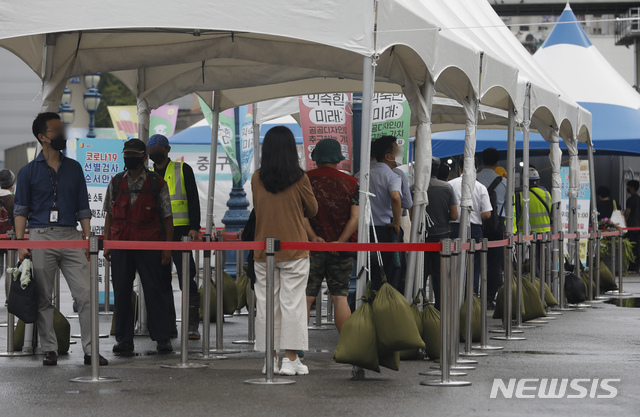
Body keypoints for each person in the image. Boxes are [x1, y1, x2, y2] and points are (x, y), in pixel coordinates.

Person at [14, 112, 107, 366]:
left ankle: (91, 350)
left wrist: (88, 240)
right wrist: (22, 244)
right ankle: (50, 349)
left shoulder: (74, 168)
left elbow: (83, 208)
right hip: (40, 234)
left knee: (86, 295)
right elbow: (20, 210)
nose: (62, 134)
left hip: (71, 234)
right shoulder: (27, 172)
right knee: (43, 297)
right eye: (56, 130)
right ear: (42, 137)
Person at [252, 126, 318, 376]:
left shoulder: (257, 178)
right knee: (293, 304)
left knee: (267, 305)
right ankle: (290, 360)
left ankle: (269, 359)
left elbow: (259, 208)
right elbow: (312, 210)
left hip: (263, 249)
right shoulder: (299, 178)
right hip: (294, 249)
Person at [103, 139, 174, 354]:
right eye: (127, 154)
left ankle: (162, 339)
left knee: (155, 291)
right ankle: (124, 341)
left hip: (149, 245)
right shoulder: (116, 182)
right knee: (122, 292)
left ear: (144, 157)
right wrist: (107, 244)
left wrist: (167, 248)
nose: (130, 158)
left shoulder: (157, 183)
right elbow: (109, 215)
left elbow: (167, 218)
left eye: (134, 154)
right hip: (121, 245)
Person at [147, 134, 202, 340]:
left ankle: (192, 326)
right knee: (161, 281)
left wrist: (195, 227)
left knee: (187, 278)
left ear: (167, 150)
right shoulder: (148, 174)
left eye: (158, 149)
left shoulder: (182, 169)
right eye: (151, 150)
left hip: (181, 233)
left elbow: (193, 198)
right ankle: (169, 326)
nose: (154, 153)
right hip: (157, 234)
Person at [303, 139, 358, 334]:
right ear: (338, 159)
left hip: (311, 249)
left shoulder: (305, 181)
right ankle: (347, 344)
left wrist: (313, 237)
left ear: (316, 159)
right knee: (340, 297)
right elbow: (354, 218)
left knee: (307, 297)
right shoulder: (352, 183)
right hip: (341, 250)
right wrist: (340, 242)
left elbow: (301, 214)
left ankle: (296, 345)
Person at [368, 136, 406, 291]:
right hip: (387, 230)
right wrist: (397, 222)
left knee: (370, 273)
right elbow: (395, 196)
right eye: (397, 150)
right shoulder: (392, 176)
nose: (400, 152)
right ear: (388, 156)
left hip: (366, 231)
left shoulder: (362, 174)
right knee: (390, 275)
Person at [448, 159, 492, 293]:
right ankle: (471, 296)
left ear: (460, 168)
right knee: (473, 265)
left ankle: (453, 294)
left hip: (453, 228)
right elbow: (487, 214)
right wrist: (478, 214)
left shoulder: (450, 185)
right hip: (474, 229)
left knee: (451, 264)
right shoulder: (480, 187)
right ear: (476, 169)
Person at [423, 157, 458, 310]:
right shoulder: (446, 188)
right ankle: (440, 307)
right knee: (440, 274)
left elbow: (411, 215)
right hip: (442, 236)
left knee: (421, 273)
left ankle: (420, 305)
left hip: (421, 237)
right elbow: (455, 215)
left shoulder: (415, 188)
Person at [476, 148, 507, 308]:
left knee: (474, 261)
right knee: (495, 264)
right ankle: (488, 298)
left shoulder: (473, 179)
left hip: (476, 223)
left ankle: (473, 296)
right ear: (497, 163)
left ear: (481, 161)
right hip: (497, 225)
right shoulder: (504, 183)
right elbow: (509, 210)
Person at [0, 169, 16, 304]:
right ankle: (9, 299)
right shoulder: (13, 199)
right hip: (10, 239)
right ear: (12, 184)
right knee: (10, 269)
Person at [624, 180, 640, 273]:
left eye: (629, 187)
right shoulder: (639, 198)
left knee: (631, 247)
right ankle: (637, 266)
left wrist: (624, 224)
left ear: (632, 188)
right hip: (638, 227)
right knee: (637, 247)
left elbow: (627, 214)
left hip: (632, 227)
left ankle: (633, 266)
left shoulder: (630, 200)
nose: (628, 189)